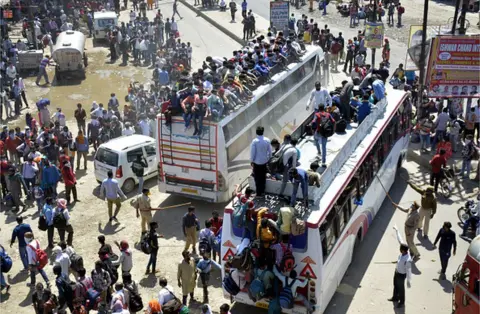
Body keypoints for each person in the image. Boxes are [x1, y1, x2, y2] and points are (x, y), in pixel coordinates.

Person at [388, 234, 412, 308]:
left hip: (401, 275)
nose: (400, 250)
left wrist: (408, 280)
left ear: (403, 250)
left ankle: (401, 302)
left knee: (401, 289)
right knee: (395, 285)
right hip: (397, 272)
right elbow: (400, 261)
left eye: (401, 249)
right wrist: (397, 262)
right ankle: (395, 297)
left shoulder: (408, 259)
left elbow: (408, 270)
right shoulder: (402, 255)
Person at [250, 126, 271, 196]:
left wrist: (251, 161)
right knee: (263, 177)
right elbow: (270, 151)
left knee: (257, 178)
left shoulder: (254, 141)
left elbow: (253, 153)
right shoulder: (267, 140)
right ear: (263, 132)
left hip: (257, 163)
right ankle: (263, 191)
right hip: (264, 162)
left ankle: (258, 193)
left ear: (256, 132)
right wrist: (268, 159)